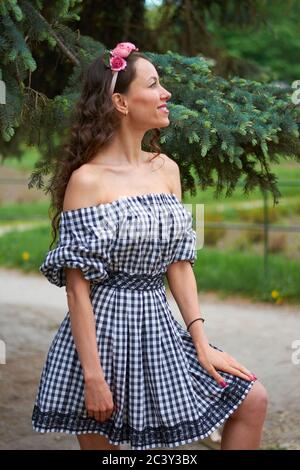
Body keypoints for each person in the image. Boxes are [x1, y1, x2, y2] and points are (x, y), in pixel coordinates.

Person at [31, 42, 268, 451]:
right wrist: (93, 376)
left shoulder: (166, 169)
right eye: (155, 84)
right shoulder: (87, 181)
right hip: (103, 338)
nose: (167, 94)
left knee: (253, 399)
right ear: (121, 102)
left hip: (159, 326)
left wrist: (201, 342)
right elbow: (77, 288)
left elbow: (179, 263)